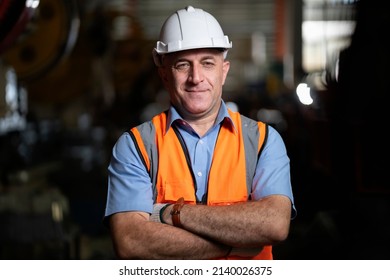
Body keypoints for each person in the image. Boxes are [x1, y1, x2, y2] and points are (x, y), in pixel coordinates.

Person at [104, 5, 296, 260]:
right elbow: (131, 241)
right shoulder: (136, 146)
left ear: (223, 71)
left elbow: (274, 223)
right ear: (163, 73)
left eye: (207, 63)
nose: (196, 77)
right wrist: (233, 245)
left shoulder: (262, 140)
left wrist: (171, 213)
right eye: (183, 65)